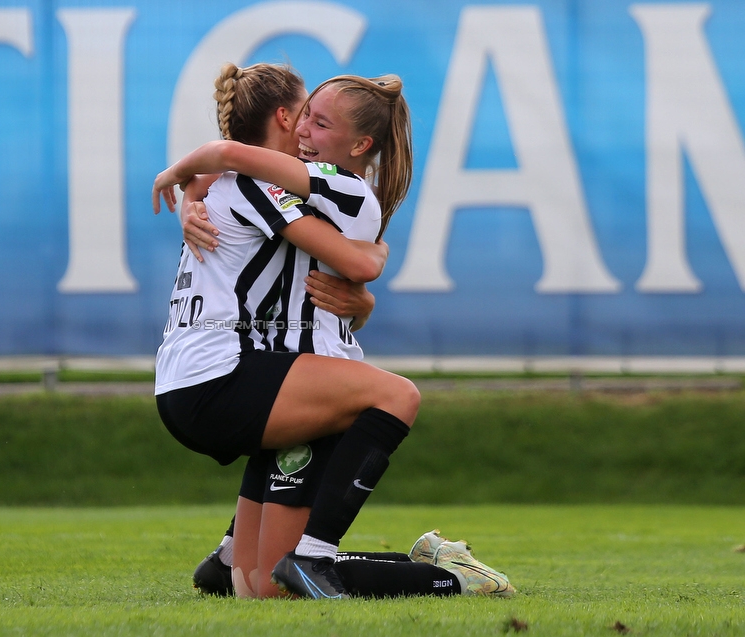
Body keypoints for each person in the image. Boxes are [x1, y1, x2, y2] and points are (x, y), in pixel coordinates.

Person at [153, 68, 513, 599]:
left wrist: (187, 181)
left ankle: (247, 553)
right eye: (306, 116)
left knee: (262, 587)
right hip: (240, 372)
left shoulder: (311, 186)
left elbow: (348, 258)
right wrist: (189, 188)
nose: (305, 132)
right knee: (396, 395)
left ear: (359, 142)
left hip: (247, 370)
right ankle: (328, 558)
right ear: (284, 117)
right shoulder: (266, 186)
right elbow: (349, 257)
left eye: (320, 123)